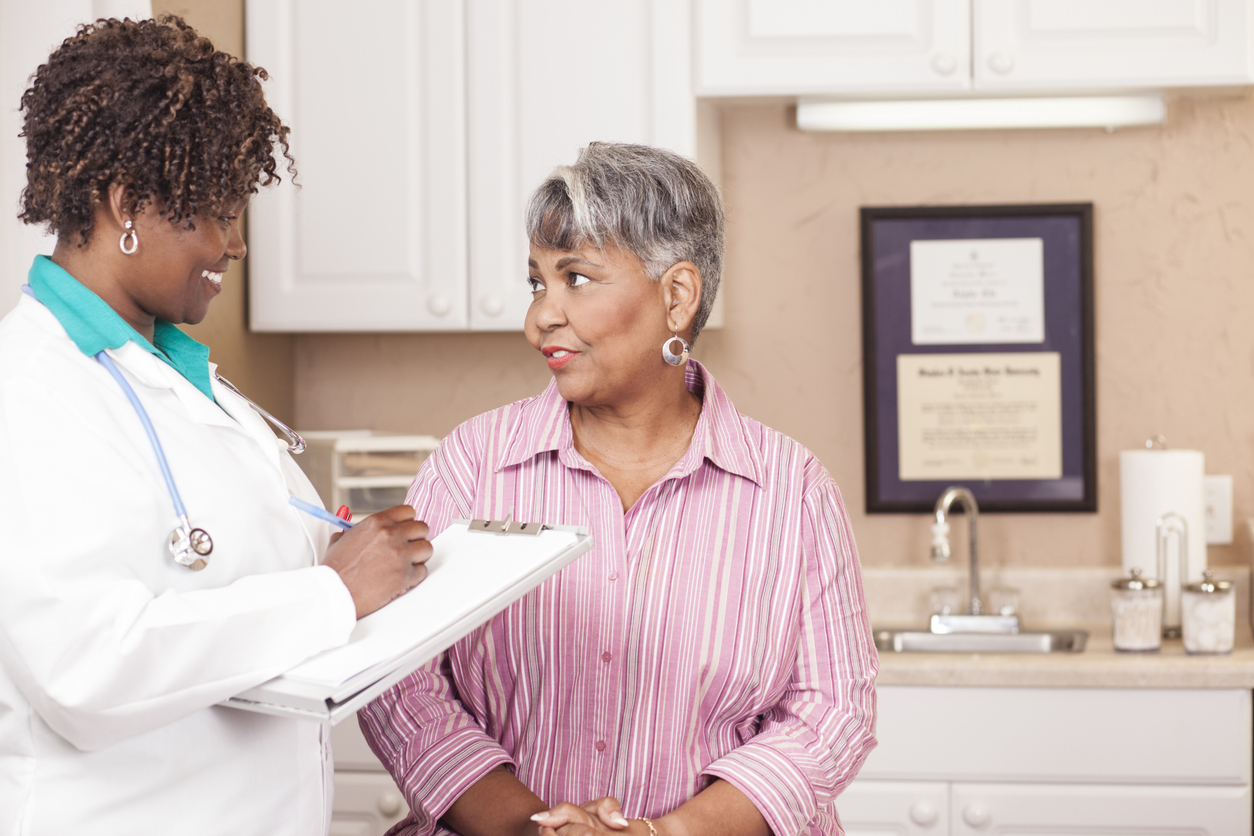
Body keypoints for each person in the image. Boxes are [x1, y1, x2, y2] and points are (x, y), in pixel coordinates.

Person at [359, 142, 878, 836]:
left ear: (677, 296)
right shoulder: (472, 464)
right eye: (537, 282)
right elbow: (398, 676)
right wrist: (527, 829)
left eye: (576, 278)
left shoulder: (793, 491)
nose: (539, 317)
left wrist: (670, 834)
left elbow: (832, 710)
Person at [0, 16, 433, 835]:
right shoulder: (26, 393)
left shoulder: (185, 381)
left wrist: (366, 560)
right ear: (127, 205)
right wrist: (333, 589)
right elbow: (86, 668)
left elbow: (249, 567)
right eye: (218, 214)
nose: (235, 245)